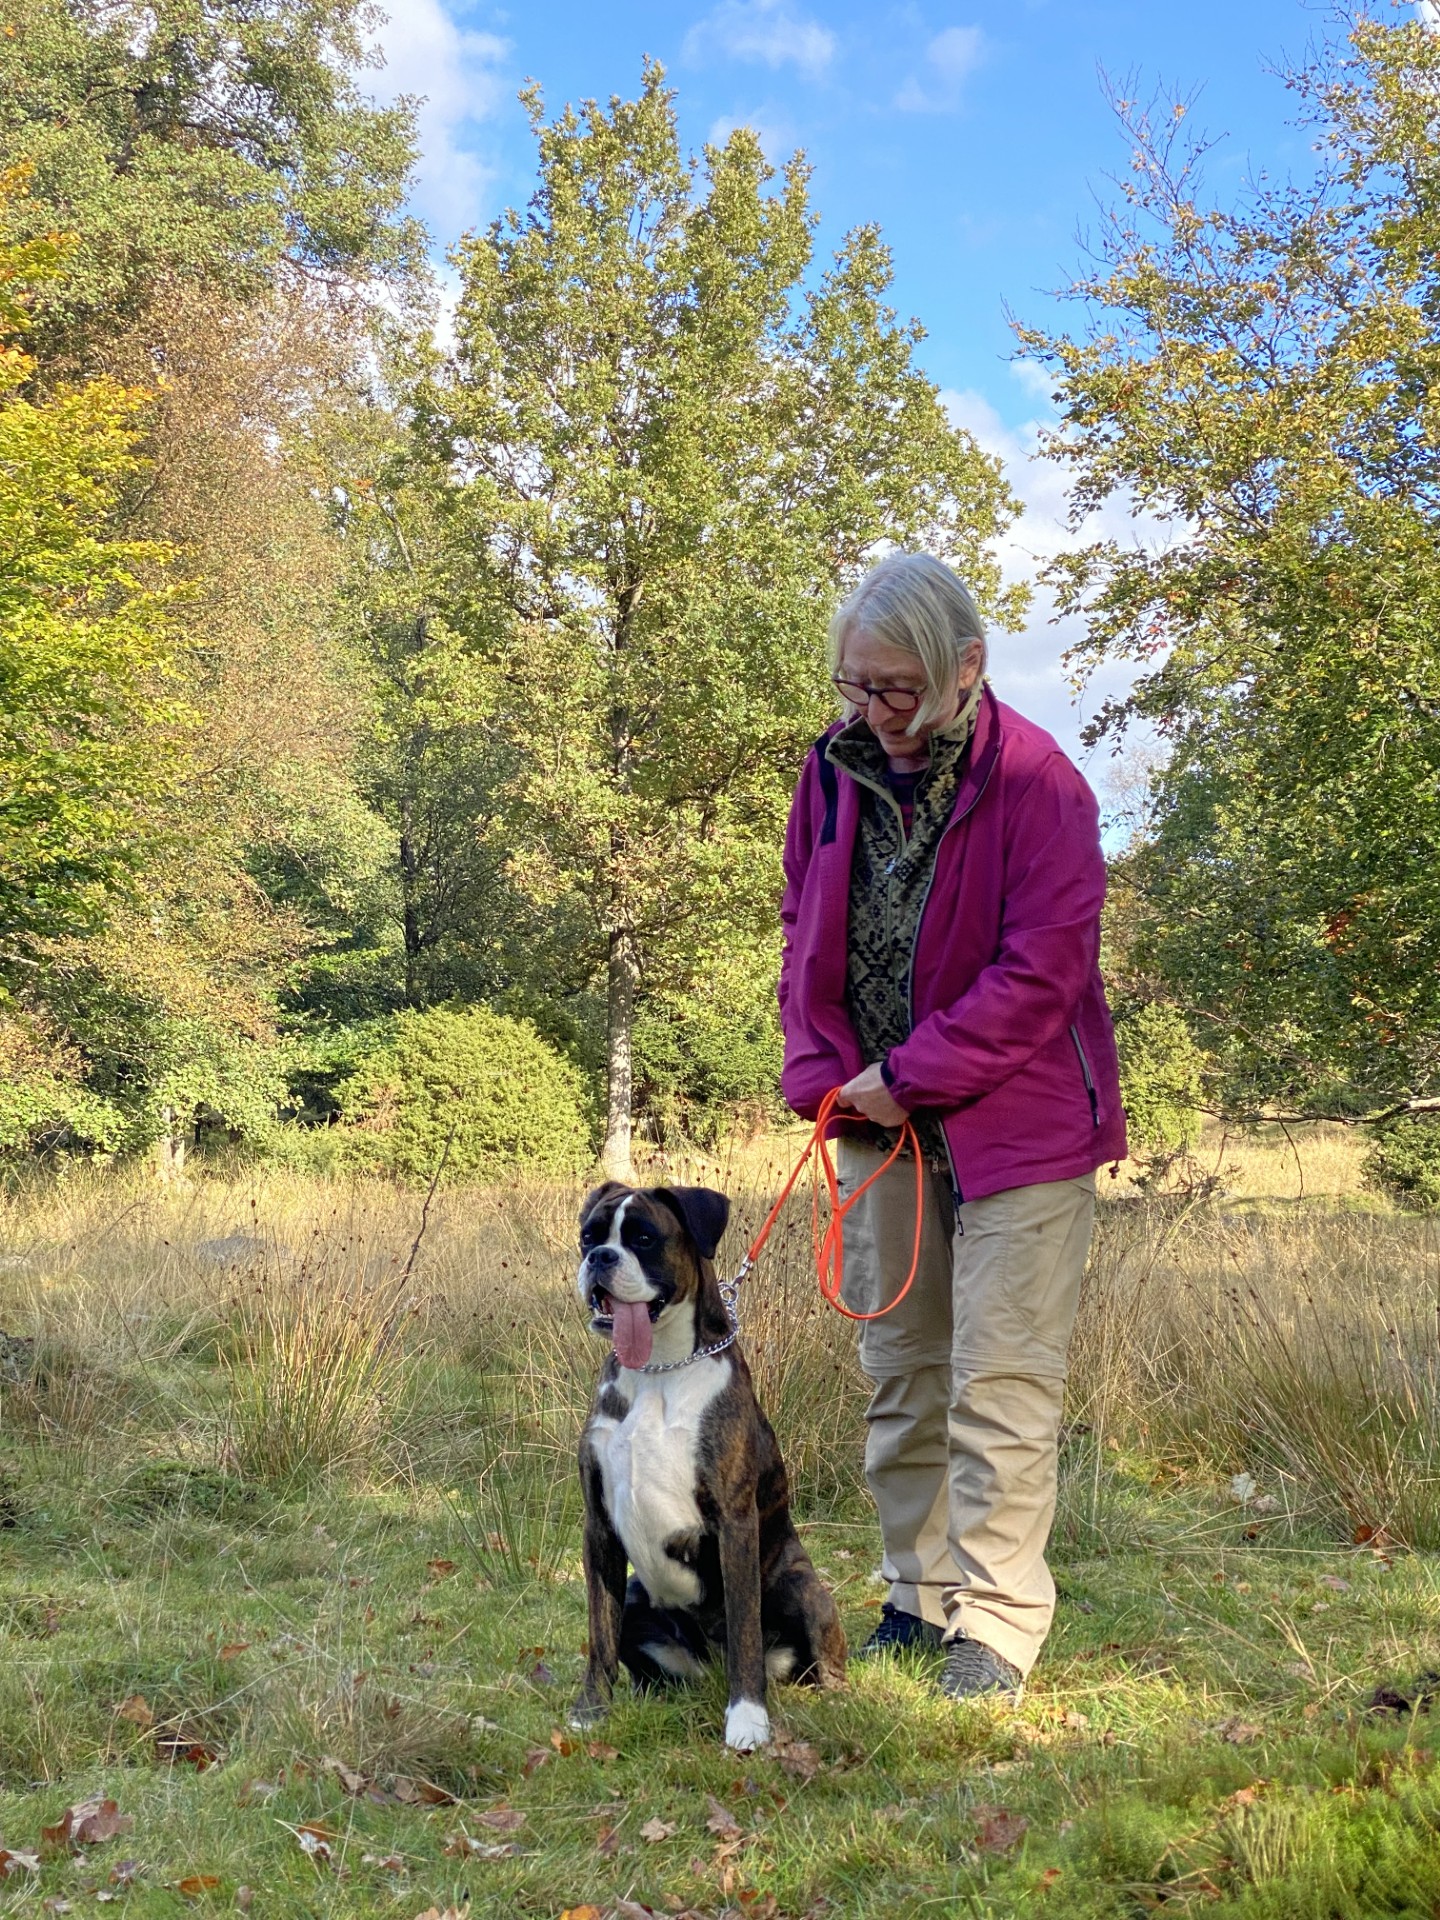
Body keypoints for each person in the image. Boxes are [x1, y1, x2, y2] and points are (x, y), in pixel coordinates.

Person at [778, 552, 1126, 1702]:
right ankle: (918, 1600)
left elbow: (1042, 976)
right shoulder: (829, 774)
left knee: (999, 1384)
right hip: (877, 1127)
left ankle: (998, 1625)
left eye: (897, 688)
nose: (875, 712)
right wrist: (820, 1073)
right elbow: (801, 927)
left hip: (1019, 1131)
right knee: (904, 1373)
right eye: (857, 685)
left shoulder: (1041, 784)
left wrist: (909, 1074)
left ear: (964, 667)